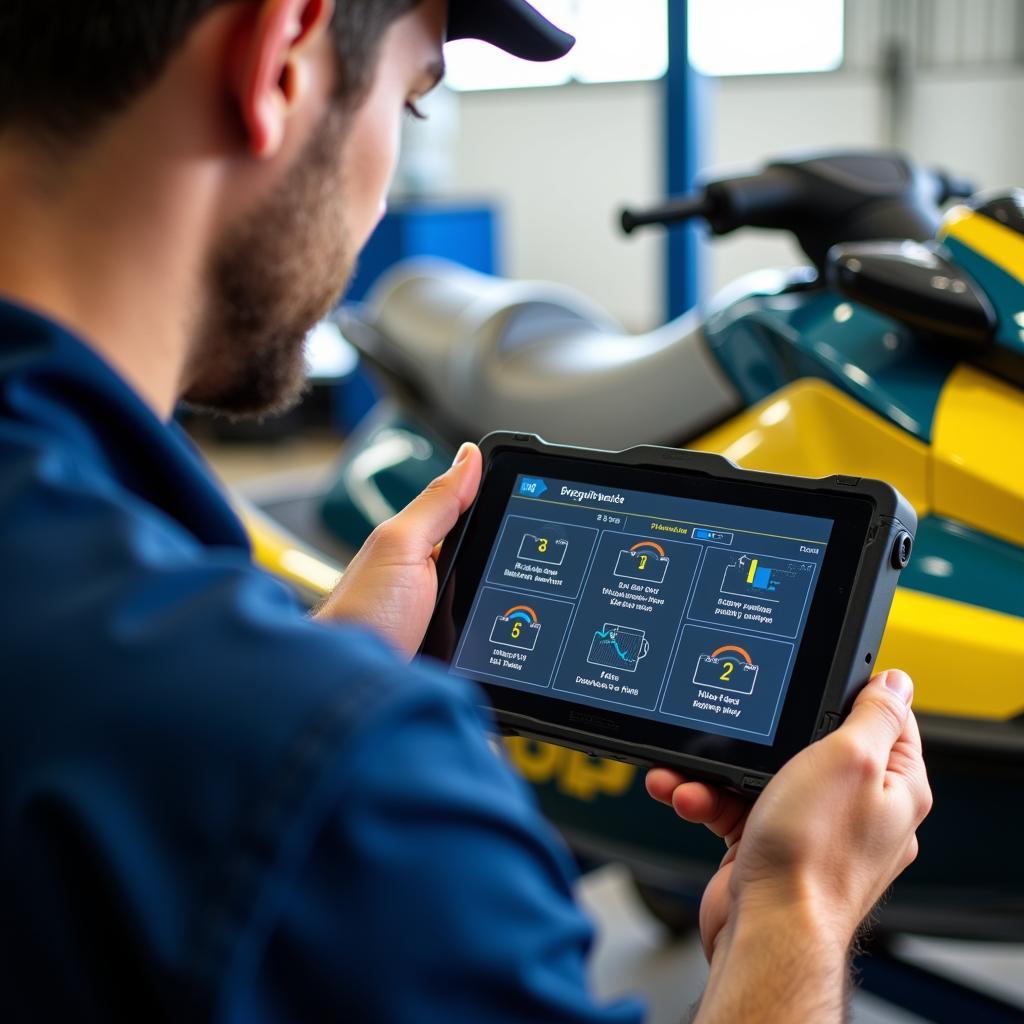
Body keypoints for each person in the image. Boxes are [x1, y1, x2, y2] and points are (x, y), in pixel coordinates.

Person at [0, 1, 932, 1021]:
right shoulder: (348, 791)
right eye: (409, 97)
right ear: (279, 60)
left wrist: (318, 663)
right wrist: (796, 908)